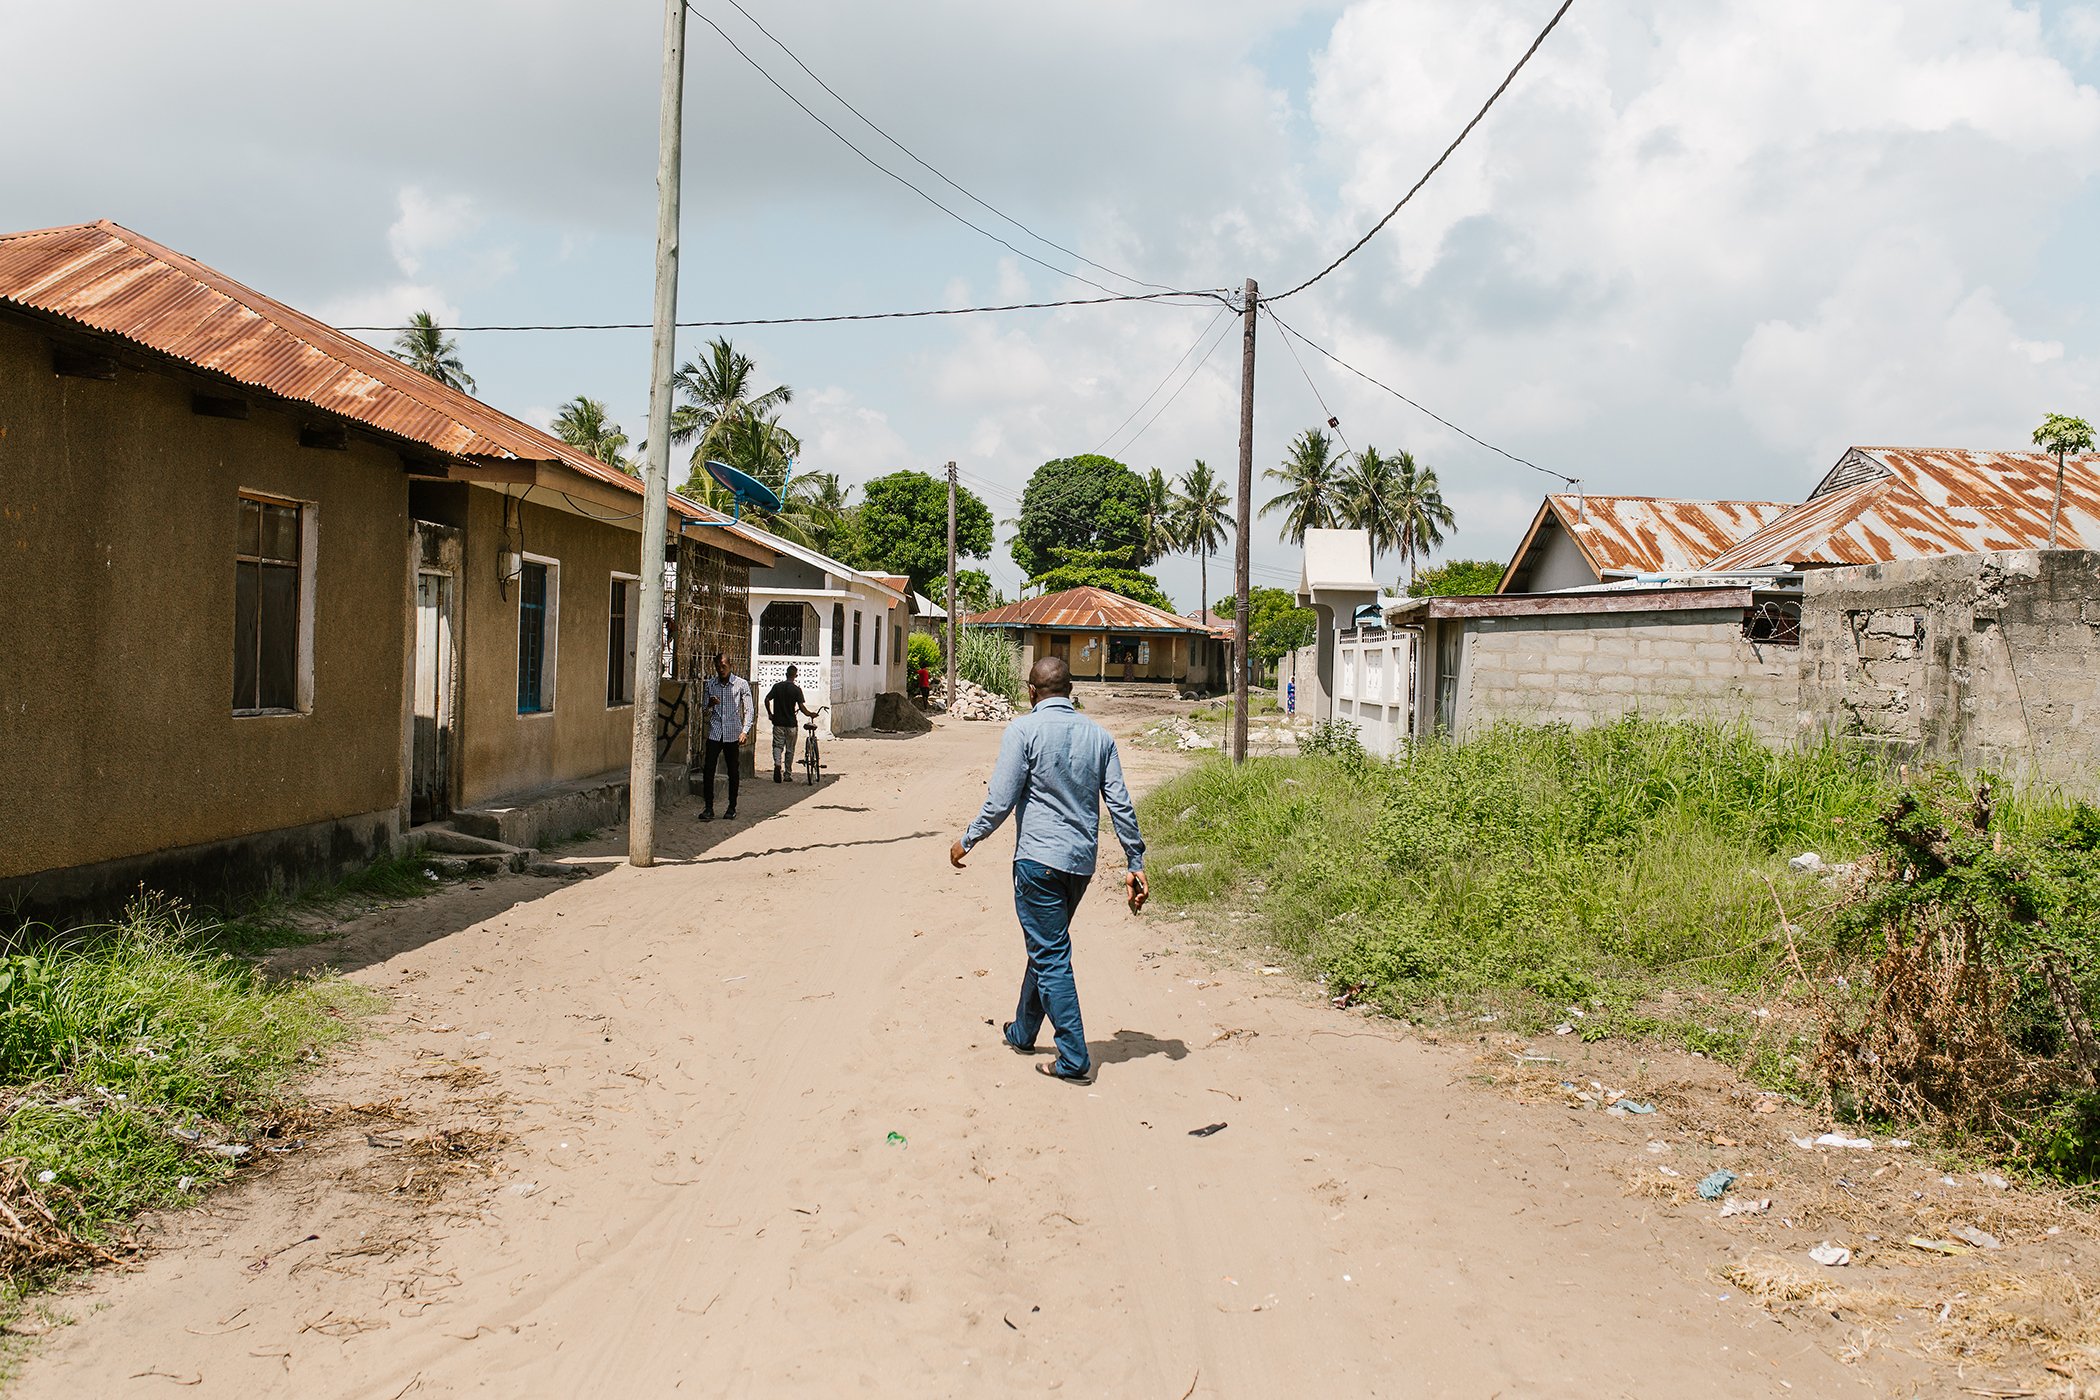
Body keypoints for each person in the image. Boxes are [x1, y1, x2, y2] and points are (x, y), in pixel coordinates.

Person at [949, 656, 1147, 1085]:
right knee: (1047, 945)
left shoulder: (1023, 730)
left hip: (1038, 862)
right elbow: (1121, 806)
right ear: (1071, 691)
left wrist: (967, 839)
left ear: (1031, 691)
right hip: (1079, 865)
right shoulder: (1100, 737)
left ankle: (1074, 1057)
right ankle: (1022, 1031)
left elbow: (1001, 800)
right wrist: (1135, 861)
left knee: (1050, 952)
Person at [697, 651, 752, 821]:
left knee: (732, 771)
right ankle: (708, 807)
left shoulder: (740, 684)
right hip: (715, 732)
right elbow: (704, 712)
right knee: (709, 770)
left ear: (730, 666)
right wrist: (709, 704)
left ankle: (731, 806)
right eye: (718, 667)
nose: (721, 670)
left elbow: (749, 709)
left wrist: (745, 731)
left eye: (724, 666)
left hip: (732, 733)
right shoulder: (710, 684)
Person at [765, 664, 819, 782]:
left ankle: (777, 764)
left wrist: (770, 713)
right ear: (795, 676)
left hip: (778, 722)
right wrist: (811, 714)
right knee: (790, 749)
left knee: (777, 746)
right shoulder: (796, 690)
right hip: (791, 724)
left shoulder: (777, 687)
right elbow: (802, 708)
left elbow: (767, 699)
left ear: (786, 674)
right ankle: (787, 774)